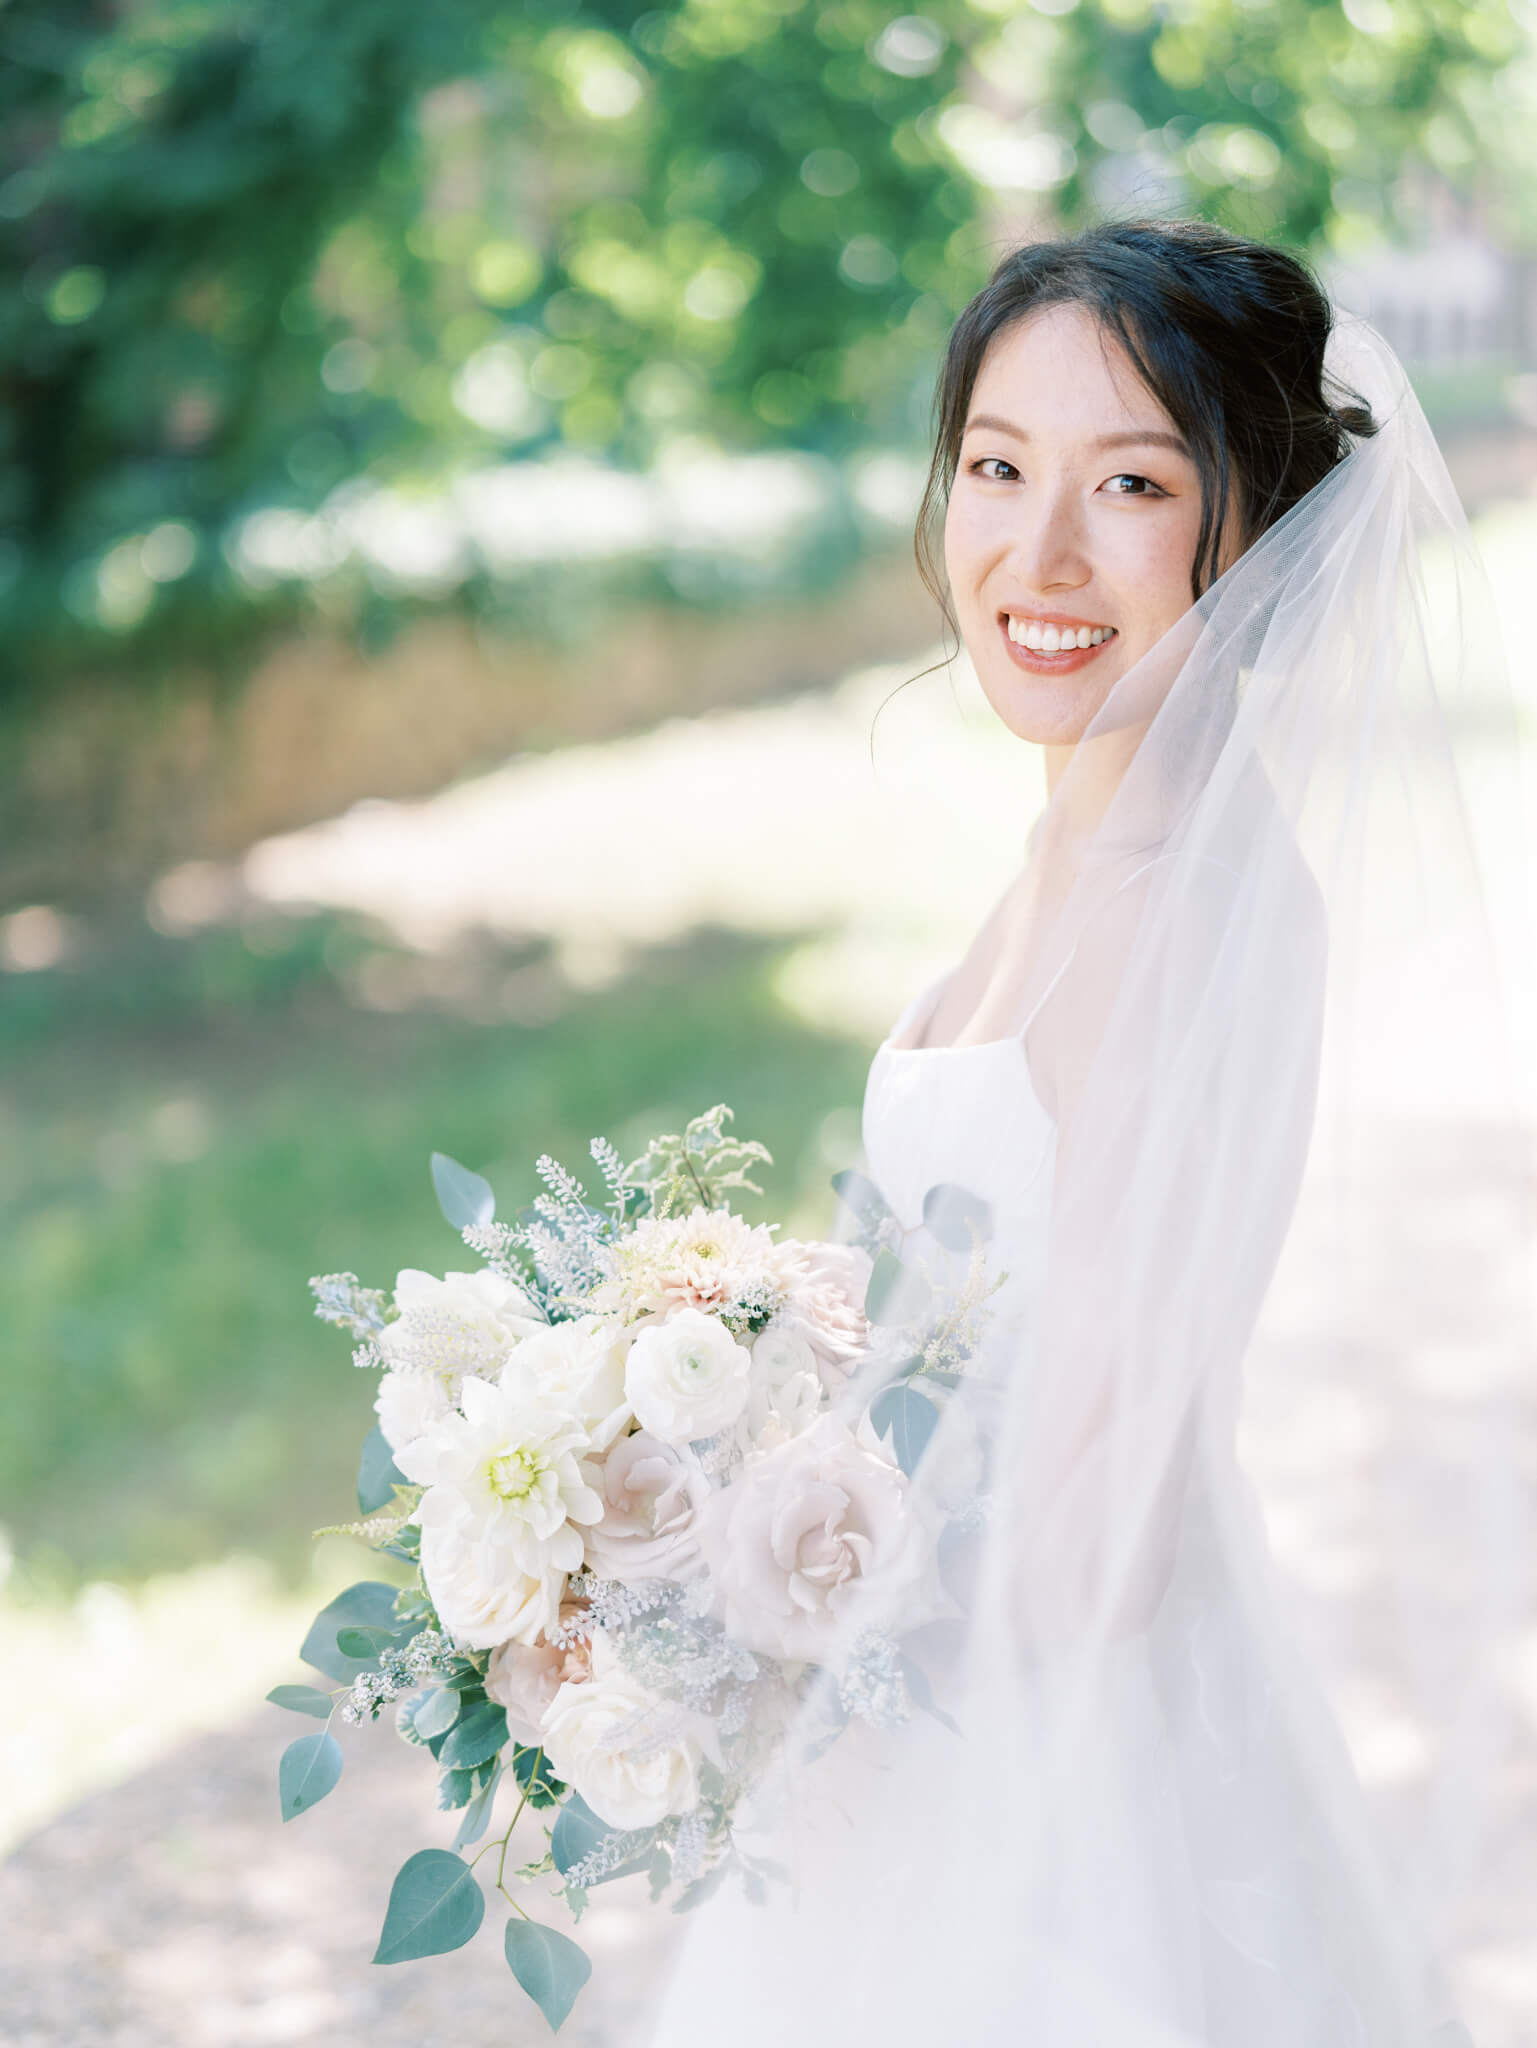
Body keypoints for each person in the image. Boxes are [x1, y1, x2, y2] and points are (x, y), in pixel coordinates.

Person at [645, 221, 1529, 2046]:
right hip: (954, 1680)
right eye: (994, 466)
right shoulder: (1092, 837)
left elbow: (1097, 1528)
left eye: (1126, 482)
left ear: (1258, 525)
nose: (1034, 556)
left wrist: (794, 1696)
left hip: (1051, 1753)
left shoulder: (1183, 904)